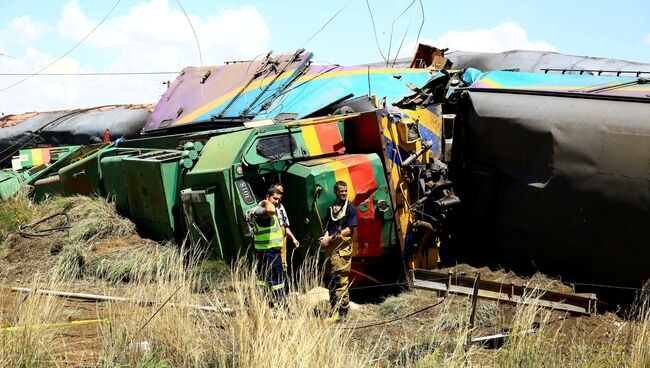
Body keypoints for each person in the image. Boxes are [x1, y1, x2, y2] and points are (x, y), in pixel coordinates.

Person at [319, 181, 357, 321]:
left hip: (341, 249)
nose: (344, 193)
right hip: (330, 249)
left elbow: (349, 230)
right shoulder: (331, 208)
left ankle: (342, 312)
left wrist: (331, 238)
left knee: (340, 280)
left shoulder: (351, 209)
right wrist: (325, 237)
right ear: (335, 192)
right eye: (341, 191)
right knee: (328, 279)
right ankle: (334, 308)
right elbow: (329, 225)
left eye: (345, 191)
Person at [253, 187, 286, 306]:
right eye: (274, 198)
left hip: (266, 251)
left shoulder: (262, 210)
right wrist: (265, 201)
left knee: (264, 280)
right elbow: (271, 210)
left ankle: (266, 305)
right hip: (270, 252)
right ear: (268, 196)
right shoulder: (261, 211)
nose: (277, 201)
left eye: (279, 199)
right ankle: (282, 306)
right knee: (277, 281)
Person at [271, 183, 300, 272]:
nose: (280, 195)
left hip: (282, 246)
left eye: (281, 193)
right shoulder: (267, 207)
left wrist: (293, 239)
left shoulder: (281, 207)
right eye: (277, 192)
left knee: (283, 266)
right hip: (273, 246)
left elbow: (285, 226)